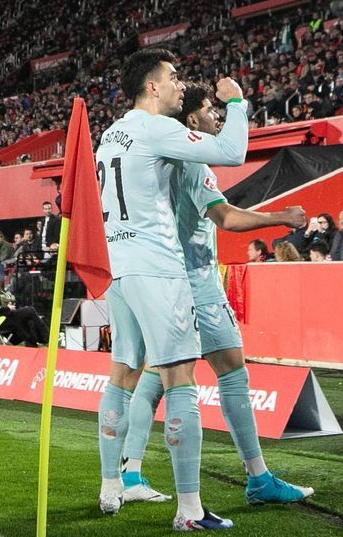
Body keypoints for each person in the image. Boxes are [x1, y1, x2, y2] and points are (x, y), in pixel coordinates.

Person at [118, 83, 313, 507]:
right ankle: (254, 479)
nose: (215, 118)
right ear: (191, 120)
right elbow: (225, 217)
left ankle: (129, 471)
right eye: (210, 111)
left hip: (158, 279)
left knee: (155, 376)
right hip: (195, 285)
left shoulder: (156, 158)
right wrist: (280, 217)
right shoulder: (193, 164)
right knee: (230, 371)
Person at [94, 48, 248, 529]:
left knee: (122, 373)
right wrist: (237, 103)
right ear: (152, 86)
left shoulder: (110, 134)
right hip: (157, 267)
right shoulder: (155, 127)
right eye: (174, 77)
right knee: (179, 379)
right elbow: (232, 152)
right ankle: (189, 509)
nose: (181, 85)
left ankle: (110, 485)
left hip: (117, 269)